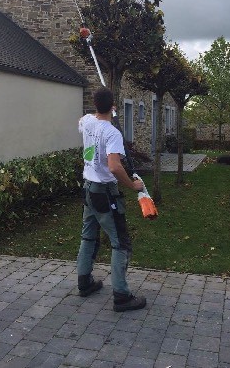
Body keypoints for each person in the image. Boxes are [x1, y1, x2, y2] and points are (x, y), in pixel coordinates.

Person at [76, 87, 146, 312]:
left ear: (95, 104)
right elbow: (115, 167)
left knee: (88, 237)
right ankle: (122, 296)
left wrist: (104, 114)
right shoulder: (112, 133)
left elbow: (84, 120)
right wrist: (133, 185)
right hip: (105, 192)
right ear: (113, 105)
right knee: (120, 242)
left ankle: (84, 282)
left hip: (88, 189)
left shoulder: (87, 121)